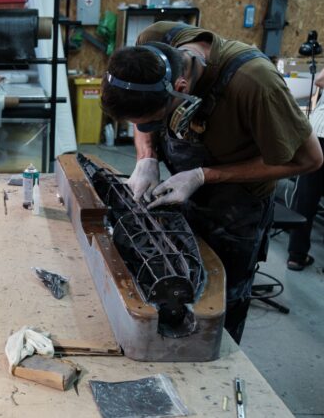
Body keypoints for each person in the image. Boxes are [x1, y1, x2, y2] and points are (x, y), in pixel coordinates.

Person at [101, 21, 323, 343]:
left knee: (215, 313)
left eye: (154, 122)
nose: (148, 128)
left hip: (237, 210)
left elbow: (309, 160)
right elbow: (142, 109)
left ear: (181, 87)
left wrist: (203, 175)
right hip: (185, 194)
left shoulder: (255, 83)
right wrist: (146, 156)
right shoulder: (152, 46)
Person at [287, 67, 324, 270]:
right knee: (306, 198)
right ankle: (297, 254)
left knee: (306, 198)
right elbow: (319, 80)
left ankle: (297, 255)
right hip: (319, 135)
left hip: (319, 135)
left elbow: (320, 79)